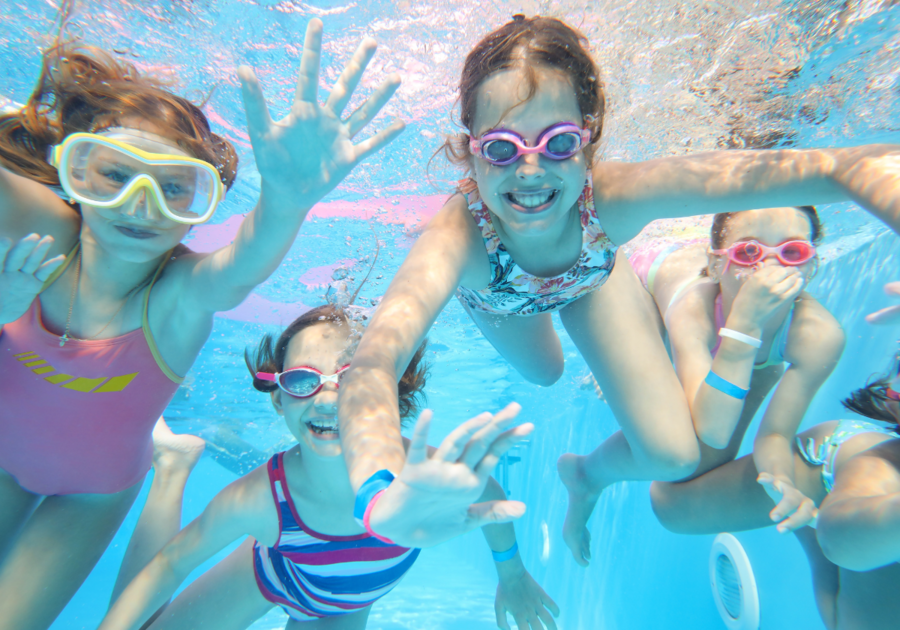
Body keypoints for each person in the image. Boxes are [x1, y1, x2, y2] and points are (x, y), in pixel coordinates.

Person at [331, 14, 900, 553]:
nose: (530, 170)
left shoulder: (615, 196)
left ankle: (583, 476)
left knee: (676, 455)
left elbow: (829, 169)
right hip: (502, 295)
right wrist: (379, 497)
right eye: (502, 149)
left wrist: (868, 178)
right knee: (546, 372)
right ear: (471, 151)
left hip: (590, 280)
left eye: (557, 144)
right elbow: (375, 364)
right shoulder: (456, 239)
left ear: (588, 138)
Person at [0, 18, 404, 627]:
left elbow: (243, 264)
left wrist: (287, 201)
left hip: (95, 489)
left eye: (174, 188)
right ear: (71, 173)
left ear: (198, 209)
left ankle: (170, 467)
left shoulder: (178, 294)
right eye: (112, 173)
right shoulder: (50, 231)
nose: (140, 204)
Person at [99, 305, 553, 630]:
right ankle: (171, 470)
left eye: (351, 378)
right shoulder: (260, 500)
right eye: (302, 380)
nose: (327, 398)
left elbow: (487, 495)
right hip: (274, 572)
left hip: (345, 607)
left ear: (388, 394)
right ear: (279, 398)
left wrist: (511, 575)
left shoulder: (419, 473)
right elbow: (171, 565)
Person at [633, 206, 843, 556]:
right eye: (749, 252)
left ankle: (757, 357)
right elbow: (711, 430)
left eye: (792, 252)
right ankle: (587, 475)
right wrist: (745, 321)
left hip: (735, 339)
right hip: (652, 276)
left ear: (812, 264)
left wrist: (782, 481)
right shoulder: (694, 308)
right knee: (680, 447)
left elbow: (776, 435)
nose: (771, 269)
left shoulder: (819, 335)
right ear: (716, 265)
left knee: (704, 459)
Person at [651, 363, 900, 630]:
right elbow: (839, 540)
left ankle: (807, 520)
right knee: (672, 506)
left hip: (858, 526)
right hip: (827, 464)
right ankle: (754, 366)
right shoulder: (876, 468)